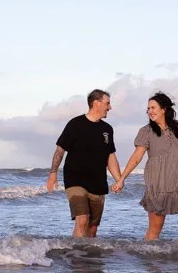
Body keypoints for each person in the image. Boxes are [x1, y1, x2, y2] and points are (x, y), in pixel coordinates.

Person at [118, 92, 178, 239]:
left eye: (153, 107)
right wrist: (121, 179)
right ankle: (150, 260)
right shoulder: (146, 131)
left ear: (164, 109)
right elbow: (136, 157)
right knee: (155, 229)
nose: (150, 111)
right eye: (148, 109)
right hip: (159, 184)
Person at [46, 88, 124, 238]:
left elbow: (111, 156)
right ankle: (77, 257)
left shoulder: (107, 129)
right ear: (96, 103)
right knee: (82, 220)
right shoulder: (75, 124)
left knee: (92, 229)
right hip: (75, 180)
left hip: (98, 183)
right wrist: (53, 173)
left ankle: (89, 259)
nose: (110, 107)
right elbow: (60, 150)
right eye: (107, 103)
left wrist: (119, 179)